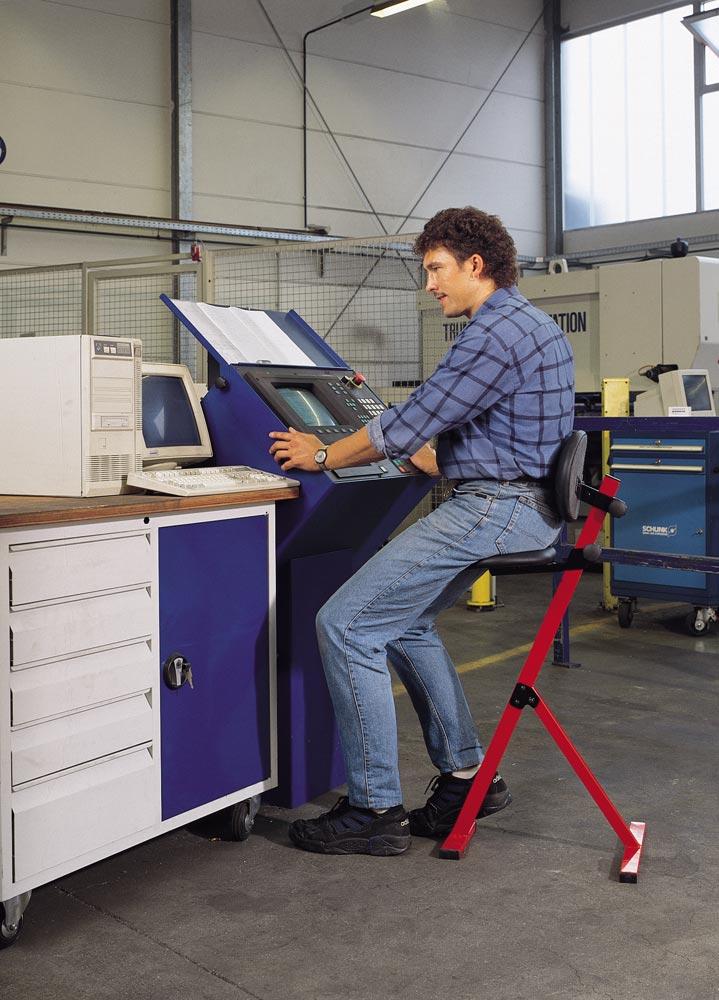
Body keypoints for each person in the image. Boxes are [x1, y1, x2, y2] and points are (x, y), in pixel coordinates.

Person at [269, 206, 574, 856]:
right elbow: (494, 429)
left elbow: (405, 424)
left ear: (475, 265)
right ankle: (467, 780)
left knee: (345, 625)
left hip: (494, 509)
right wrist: (445, 457)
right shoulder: (532, 323)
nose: (430, 285)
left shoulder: (492, 335)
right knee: (405, 623)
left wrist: (321, 454)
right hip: (522, 508)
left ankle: (373, 808)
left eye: (436, 269)